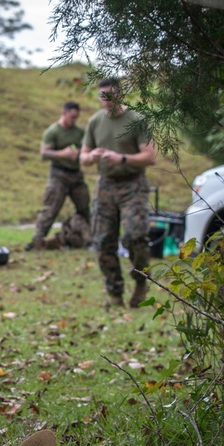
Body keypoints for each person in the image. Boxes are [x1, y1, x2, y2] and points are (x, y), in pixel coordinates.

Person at [80, 77, 157, 309]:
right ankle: (115, 293)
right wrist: (92, 156)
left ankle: (141, 283)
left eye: (110, 95)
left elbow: (150, 157)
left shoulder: (136, 119)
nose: (106, 100)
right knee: (102, 241)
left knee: (134, 236)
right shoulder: (95, 122)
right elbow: (83, 157)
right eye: (102, 96)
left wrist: (121, 158)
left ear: (120, 95)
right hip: (105, 185)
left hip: (132, 184)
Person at [26, 101, 90, 250]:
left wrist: (79, 154)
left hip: (76, 175)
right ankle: (37, 239)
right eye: (72, 117)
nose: (74, 120)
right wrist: (62, 154)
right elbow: (44, 153)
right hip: (59, 174)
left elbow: (87, 148)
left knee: (84, 207)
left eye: (76, 117)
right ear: (64, 114)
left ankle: (88, 238)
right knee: (50, 209)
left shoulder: (79, 132)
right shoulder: (53, 131)